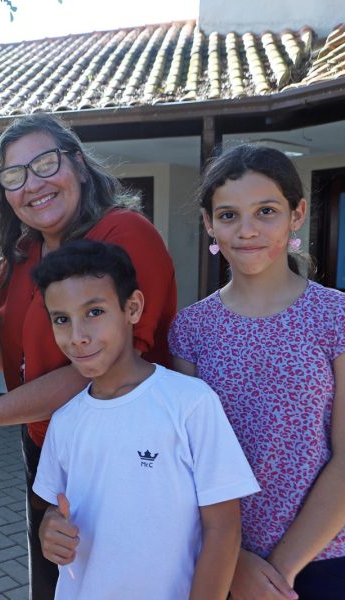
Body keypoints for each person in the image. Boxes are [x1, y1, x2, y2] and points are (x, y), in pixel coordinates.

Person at [0, 113, 178, 598]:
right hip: (49, 452)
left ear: (78, 164)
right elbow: (3, 356)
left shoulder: (125, 235)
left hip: (125, 452)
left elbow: (100, 374)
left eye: (45, 164)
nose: (32, 184)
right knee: (57, 582)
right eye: (14, 176)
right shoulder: (26, 252)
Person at [31, 239, 259, 599]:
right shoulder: (65, 420)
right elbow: (54, 510)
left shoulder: (190, 403)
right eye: (62, 319)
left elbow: (223, 529)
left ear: (132, 307)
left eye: (94, 312)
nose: (78, 337)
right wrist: (50, 531)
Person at [169, 144, 345, 600]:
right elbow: (187, 462)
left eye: (265, 211)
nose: (247, 231)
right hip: (222, 558)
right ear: (209, 223)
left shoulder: (337, 317)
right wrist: (236, 560)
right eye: (228, 215)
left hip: (324, 560)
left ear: (297, 214)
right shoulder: (191, 328)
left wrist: (278, 570)